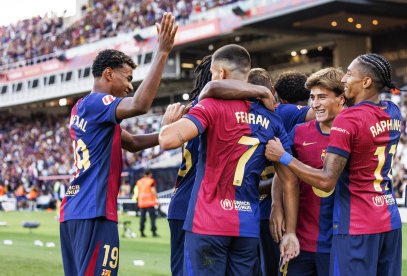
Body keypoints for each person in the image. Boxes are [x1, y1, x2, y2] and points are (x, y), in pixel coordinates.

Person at [159, 44, 296, 275]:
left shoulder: (211, 106)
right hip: (246, 225)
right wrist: (290, 231)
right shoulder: (272, 119)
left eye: (213, 73)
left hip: (207, 222)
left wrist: (167, 124)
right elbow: (290, 181)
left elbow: (167, 139)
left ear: (220, 73)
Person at [59, 13, 178, 276]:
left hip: (75, 210)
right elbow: (140, 105)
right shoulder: (95, 103)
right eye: (127, 77)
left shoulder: (82, 107)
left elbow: (133, 143)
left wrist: (173, 132)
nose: (129, 85)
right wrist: (162, 52)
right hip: (94, 210)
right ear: (108, 74)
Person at [265, 53, 402, 275]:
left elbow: (327, 180)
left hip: (355, 223)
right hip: (387, 217)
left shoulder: (348, 121)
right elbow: (284, 178)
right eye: (312, 97)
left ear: (365, 82)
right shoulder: (392, 111)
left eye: (349, 74)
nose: (345, 79)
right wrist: (276, 205)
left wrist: (284, 156)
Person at [275, 68, 345, 275]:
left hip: (339, 242)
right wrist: (276, 206)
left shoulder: (353, 133)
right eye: (312, 97)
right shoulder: (299, 132)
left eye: (322, 97)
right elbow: (283, 172)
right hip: (300, 241)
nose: (315, 104)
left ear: (341, 99)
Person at [252, 70, 314, 276]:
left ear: (276, 92)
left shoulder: (255, 114)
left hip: (262, 207)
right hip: (286, 206)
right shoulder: (286, 112)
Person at [135, 170, 158, 237]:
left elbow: (136, 191)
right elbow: (153, 190)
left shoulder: (139, 181)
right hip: (150, 202)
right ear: (150, 174)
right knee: (152, 218)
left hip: (141, 202)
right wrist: (157, 198)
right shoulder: (151, 181)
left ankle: (141, 232)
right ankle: (153, 232)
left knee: (142, 218)